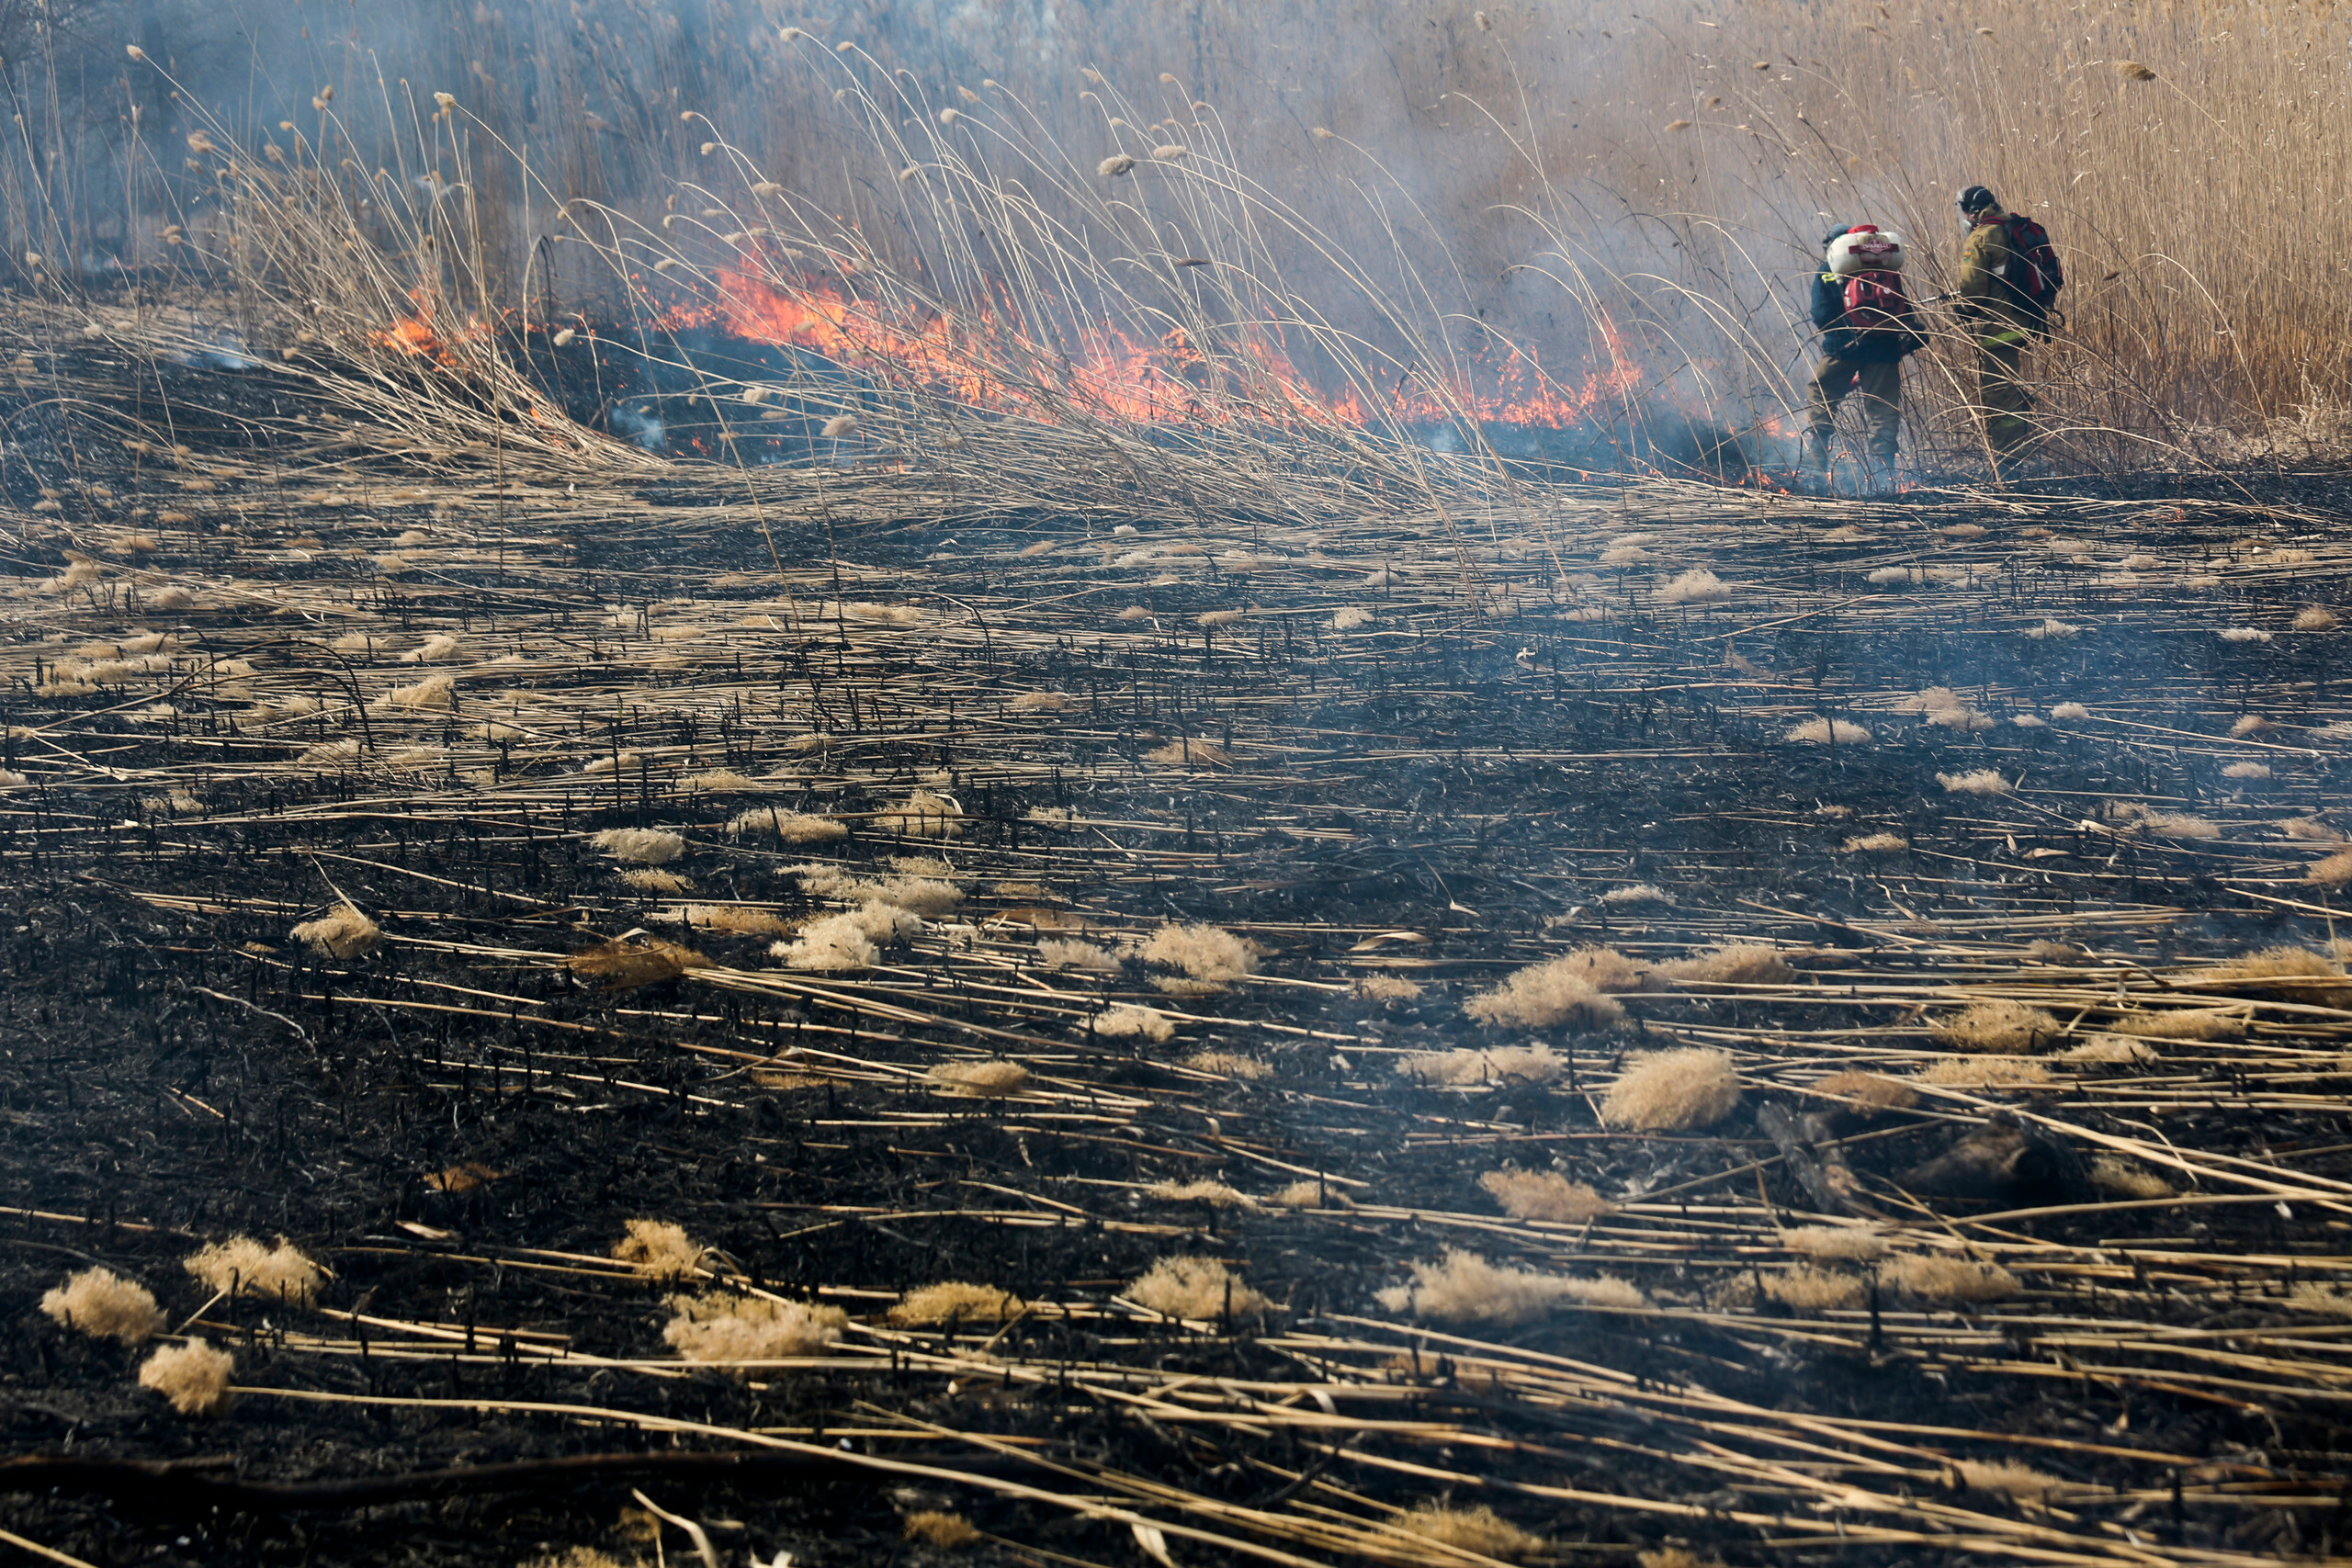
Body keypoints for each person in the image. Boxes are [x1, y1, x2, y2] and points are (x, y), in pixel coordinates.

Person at [1952, 185, 2064, 467]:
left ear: (1972, 212)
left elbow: (1973, 290)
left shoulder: (1981, 237)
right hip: (2028, 320)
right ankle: (2024, 440)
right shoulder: (2017, 226)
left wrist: (1963, 308)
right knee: (2008, 385)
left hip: (2000, 326)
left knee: (1998, 393)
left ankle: (2010, 457)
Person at [1804, 223, 1924, 476]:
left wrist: (1841, 335)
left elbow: (1821, 313)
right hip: (1883, 349)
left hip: (1842, 350)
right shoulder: (1884, 268)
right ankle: (1884, 476)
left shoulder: (1827, 270)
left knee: (1821, 394)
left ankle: (1816, 467)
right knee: (1882, 411)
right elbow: (1903, 309)